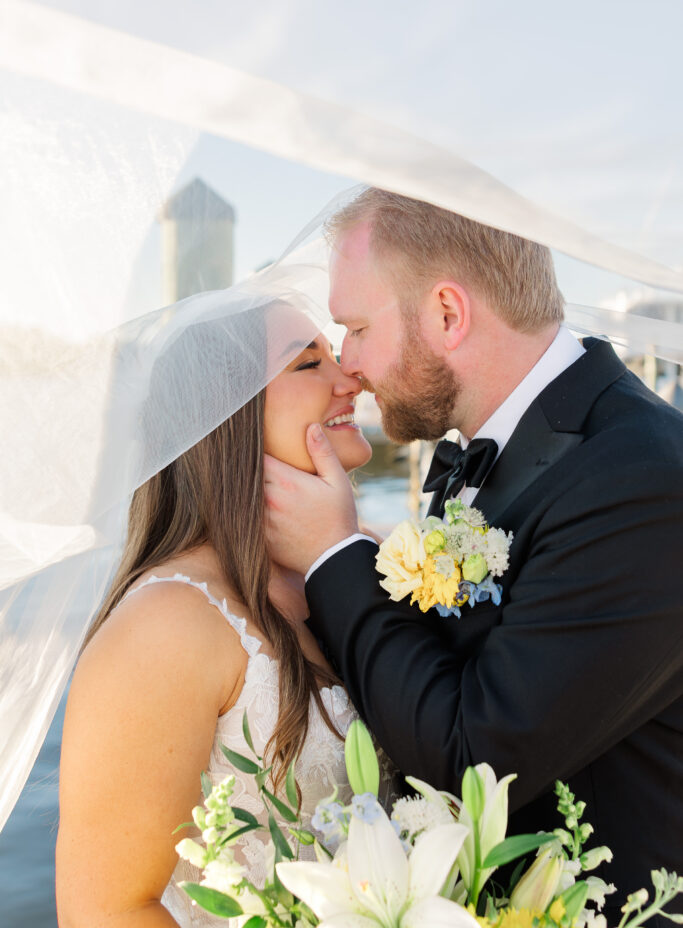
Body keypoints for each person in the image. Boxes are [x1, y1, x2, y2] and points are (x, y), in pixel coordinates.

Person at [264, 187, 683, 921]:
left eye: (356, 329)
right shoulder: (503, 446)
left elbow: (475, 761)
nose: (349, 365)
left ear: (447, 315)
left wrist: (332, 553)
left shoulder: (637, 476)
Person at [55, 309, 373, 928]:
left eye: (336, 355)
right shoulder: (168, 623)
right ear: (226, 415)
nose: (351, 378)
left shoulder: (359, 566)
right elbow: (106, 911)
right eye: (309, 363)